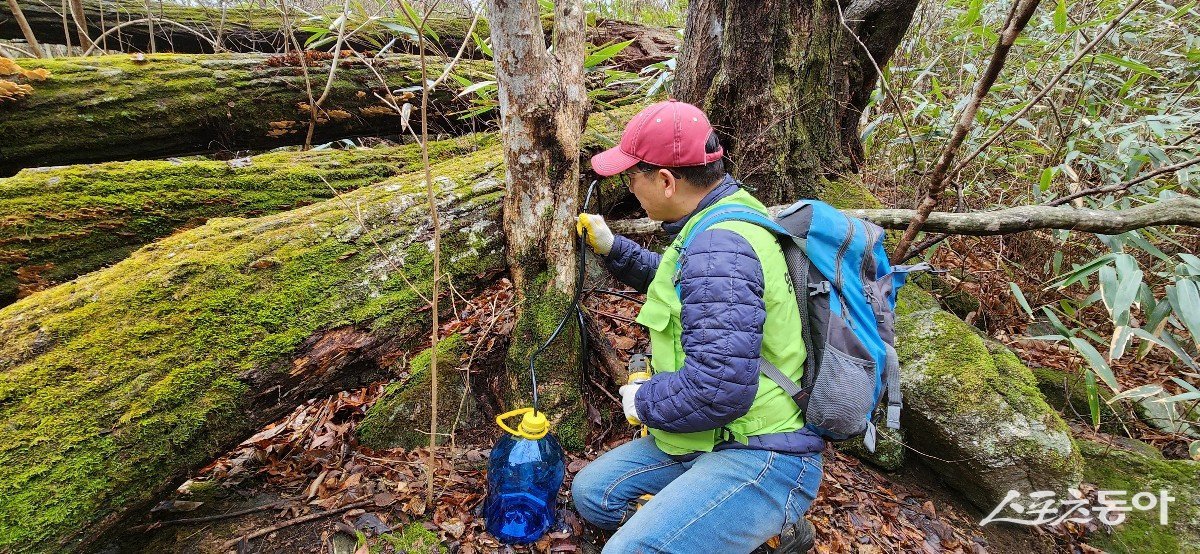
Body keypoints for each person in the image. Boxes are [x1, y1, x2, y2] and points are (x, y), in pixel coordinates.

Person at [571, 99, 823, 554]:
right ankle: (709, 521)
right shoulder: (724, 215)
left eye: (632, 176)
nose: (631, 188)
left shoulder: (719, 246)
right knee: (594, 495)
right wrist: (614, 249)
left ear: (666, 181)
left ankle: (764, 527)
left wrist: (643, 401)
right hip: (709, 435)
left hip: (761, 449)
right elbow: (691, 288)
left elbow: (717, 388)